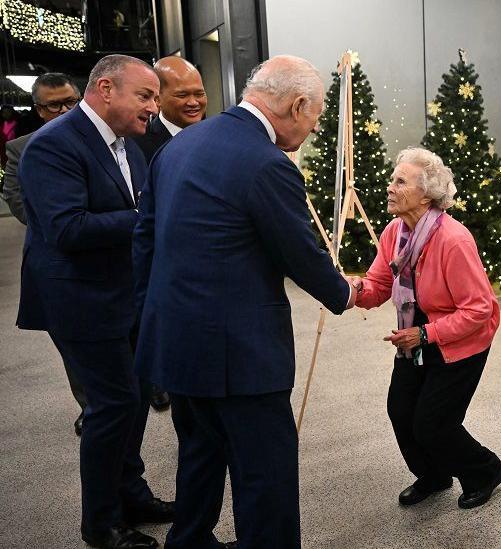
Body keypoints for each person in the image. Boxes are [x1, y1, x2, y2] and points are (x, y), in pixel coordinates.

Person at [132, 55, 355, 549]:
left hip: (176, 343)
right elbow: (299, 252)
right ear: (297, 105)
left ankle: (187, 541)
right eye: (315, 118)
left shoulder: (179, 145)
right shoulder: (266, 163)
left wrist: (153, 316)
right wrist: (346, 291)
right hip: (241, 357)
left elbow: (144, 241)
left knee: (199, 458)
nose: (313, 130)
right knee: (265, 477)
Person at [17, 54, 172, 549]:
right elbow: (66, 228)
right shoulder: (51, 147)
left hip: (126, 291)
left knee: (133, 401)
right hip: (80, 298)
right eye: (145, 95)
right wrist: (149, 217)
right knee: (114, 405)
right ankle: (101, 524)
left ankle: (132, 495)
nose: (155, 106)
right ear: (105, 89)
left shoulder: (134, 143)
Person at [348, 147, 501, 511]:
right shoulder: (394, 231)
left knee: (433, 423)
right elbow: (378, 286)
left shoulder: (453, 239)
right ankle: (434, 476)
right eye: (392, 179)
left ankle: (485, 470)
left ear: (426, 194)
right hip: (413, 333)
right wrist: (352, 290)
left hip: (462, 340)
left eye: (400, 181)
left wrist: (425, 334)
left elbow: (480, 309)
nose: (389, 187)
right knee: (400, 411)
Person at [2, 73, 87, 435]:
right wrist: (59, 221)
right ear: (39, 110)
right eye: (55, 105)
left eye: (71, 101)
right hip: (56, 258)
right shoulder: (21, 148)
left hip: (109, 253)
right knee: (73, 342)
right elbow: (17, 201)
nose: (65, 110)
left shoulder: (100, 137)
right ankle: (89, 405)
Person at [130, 55, 208, 412]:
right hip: (164, 269)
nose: (193, 102)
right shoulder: (139, 142)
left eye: (199, 93)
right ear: (159, 99)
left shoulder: (215, 134)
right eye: (182, 95)